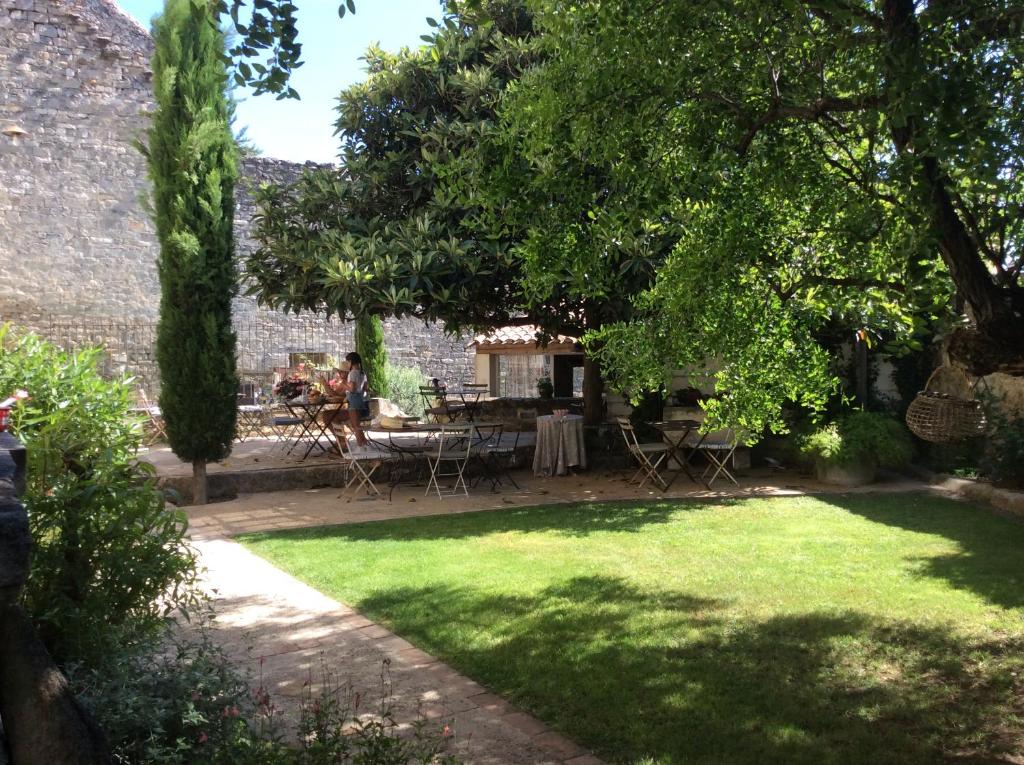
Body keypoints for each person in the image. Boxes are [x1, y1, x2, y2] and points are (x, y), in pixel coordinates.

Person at [344, 352, 370, 450]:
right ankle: (365, 445)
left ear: (351, 362)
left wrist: (344, 385)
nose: (347, 364)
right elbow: (366, 388)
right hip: (361, 400)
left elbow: (353, 389)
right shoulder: (363, 373)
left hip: (354, 400)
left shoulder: (352, 373)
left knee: (356, 426)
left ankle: (360, 447)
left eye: (347, 362)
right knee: (357, 425)